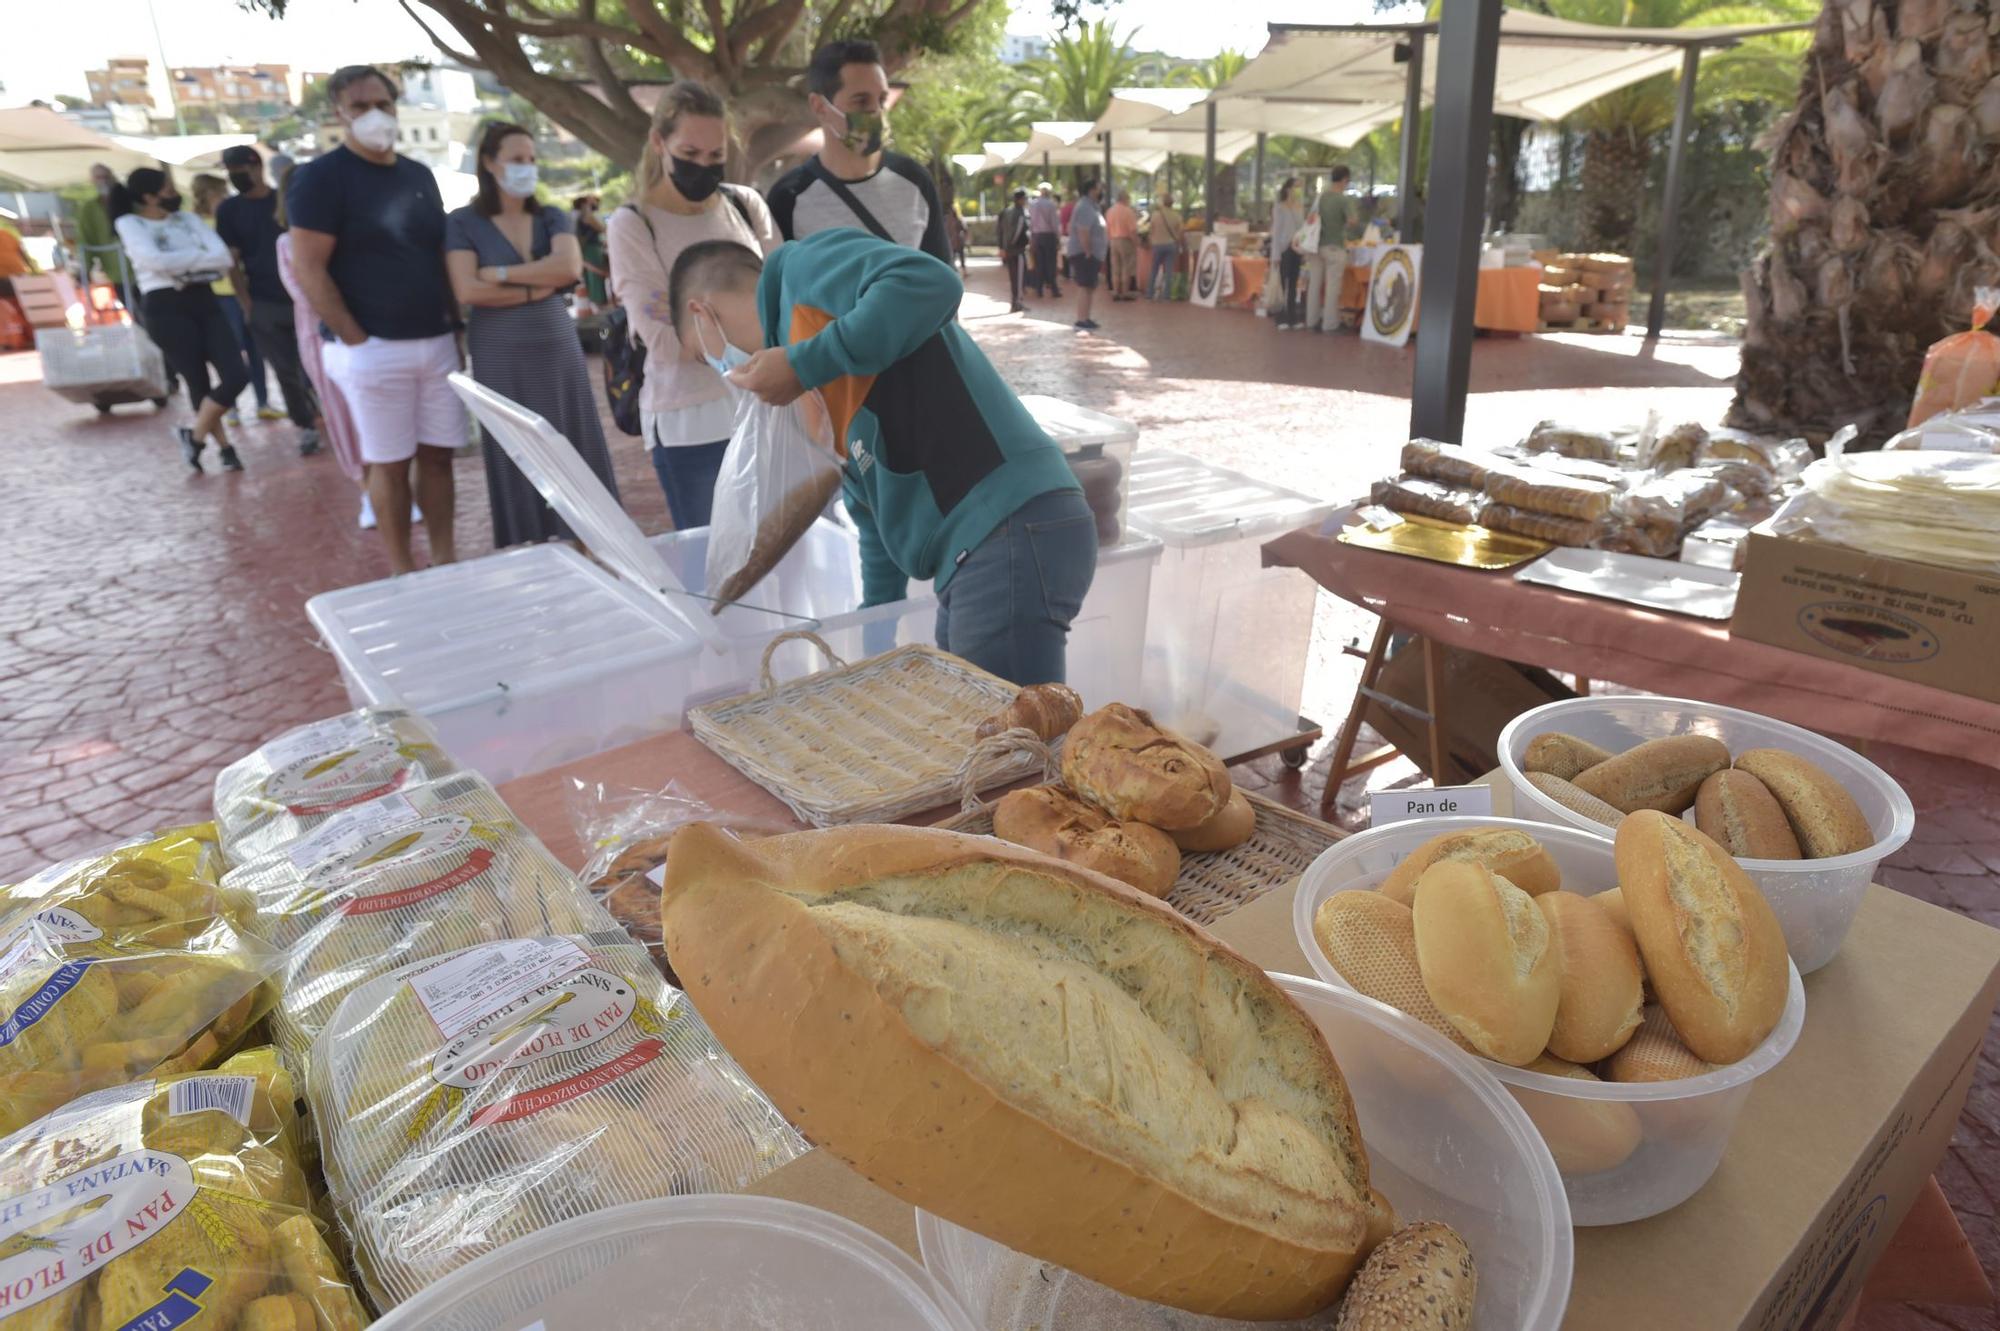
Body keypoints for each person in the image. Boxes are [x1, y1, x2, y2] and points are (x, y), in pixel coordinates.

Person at [672, 231, 1096, 686]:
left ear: (702, 313)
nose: (722, 369)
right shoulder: (803, 383)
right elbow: (873, 513)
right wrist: (875, 636)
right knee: (972, 717)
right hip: (973, 554)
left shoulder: (804, 273)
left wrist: (802, 362)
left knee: (1013, 741)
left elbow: (930, 282)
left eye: (704, 356)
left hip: (1008, 524)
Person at [287, 64, 460, 575]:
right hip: (372, 347)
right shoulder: (319, 179)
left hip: (435, 341)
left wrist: (455, 330)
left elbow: (436, 255)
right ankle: (404, 570)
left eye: (383, 103)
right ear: (339, 114)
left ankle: (447, 561)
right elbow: (308, 268)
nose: (374, 115)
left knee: (440, 456)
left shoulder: (418, 175)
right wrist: (357, 340)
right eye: (360, 106)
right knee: (389, 462)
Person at [607, 80, 780, 530]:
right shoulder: (633, 225)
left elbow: (787, 299)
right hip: (692, 423)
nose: (703, 167)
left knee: (792, 559)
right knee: (718, 569)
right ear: (658, 142)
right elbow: (666, 343)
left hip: (769, 410)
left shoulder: (745, 205)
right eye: (689, 154)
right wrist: (756, 330)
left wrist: (710, 324)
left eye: (715, 156)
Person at [446, 122, 622, 549]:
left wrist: (501, 276)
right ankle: (531, 543)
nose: (527, 168)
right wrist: (535, 287)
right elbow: (468, 290)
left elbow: (567, 269)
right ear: (489, 163)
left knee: (571, 435)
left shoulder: (551, 216)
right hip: (499, 349)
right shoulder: (463, 222)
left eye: (532, 160)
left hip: (554, 344)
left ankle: (587, 538)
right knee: (515, 443)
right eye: (517, 159)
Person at [765, 40, 952, 268]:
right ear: (819, 107)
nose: (876, 112)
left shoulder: (915, 181)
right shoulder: (788, 197)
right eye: (861, 101)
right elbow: (779, 292)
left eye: (881, 100)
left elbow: (941, 283)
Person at [113, 167, 248, 473]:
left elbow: (223, 258)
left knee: (236, 374)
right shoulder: (130, 224)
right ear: (149, 196)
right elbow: (154, 261)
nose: (174, 194)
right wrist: (196, 262)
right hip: (164, 306)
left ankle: (195, 436)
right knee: (196, 379)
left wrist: (180, 268)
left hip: (204, 298)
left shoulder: (187, 220)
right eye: (167, 189)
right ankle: (226, 449)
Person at [214, 145, 319, 455]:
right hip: (264, 302)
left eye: (240, 171)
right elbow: (231, 261)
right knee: (285, 369)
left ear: (257, 166)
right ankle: (305, 424)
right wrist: (246, 303)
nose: (236, 178)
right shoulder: (229, 211)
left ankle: (319, 410)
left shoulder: (283, 201)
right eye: (231, 173)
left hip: (303, 298)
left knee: (311, 364)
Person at [274, 166, 365, 507]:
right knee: (339, 410)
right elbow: (304, 290)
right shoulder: (286, 244)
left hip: (366, 332)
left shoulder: (349, 234)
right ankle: (365, 484)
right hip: (321, 337)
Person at [190, 172, 270, 427]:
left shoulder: (232, 215)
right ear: (207, 193)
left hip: (243, 289)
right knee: (231, 355)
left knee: (255, 349)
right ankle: (231, 407)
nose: (225, 196)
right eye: (219, 191)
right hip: (219, 295)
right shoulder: (197, 223)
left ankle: (263, 402)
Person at [1303, 166, 1356, 335]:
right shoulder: (1343, 200)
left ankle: (1311, 320)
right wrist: (1344, 225)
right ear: (1344, 180)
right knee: (1333, 286)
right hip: (1334, 246)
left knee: (1314, 284)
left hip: (1315, 246)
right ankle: (1329, 323)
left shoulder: (1321, 197)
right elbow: (1352, 220)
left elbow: (1309, 218)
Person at [74, 164, 134, 301]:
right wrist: (85, 269)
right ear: (92, 180)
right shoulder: (89, 209)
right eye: (99, 177)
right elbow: (85, 238)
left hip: (140, 266)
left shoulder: (129, 200)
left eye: (106, 177)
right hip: (116, 269)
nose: (103, 181)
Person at [1066, 178, 1108, 333]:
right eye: (1098, 188)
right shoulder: (1084, 207)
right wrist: (1088, 251)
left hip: (1091, 254)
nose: (1101, 190)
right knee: (1085, 286)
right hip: (1084, 254)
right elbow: (1083, 230)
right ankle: (1081, 319)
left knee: (1090, 286)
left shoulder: (1092, 206)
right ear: (1091, 190)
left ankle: (1086, 317)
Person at [1270, 176, 1305, 330]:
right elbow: (1276, 232)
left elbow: (1303, 229)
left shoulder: (1299, 207)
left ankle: (1292, 316)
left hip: (1296, 248)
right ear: (1288, 189)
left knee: (1293, 282)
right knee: (1283, 283)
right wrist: (1275, 255)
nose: (1298, 190)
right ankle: (1281, 317)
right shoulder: (1279, 208)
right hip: (1284, 249)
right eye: (1296, 187)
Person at [1146, 189, 1185, 300]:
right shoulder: (1176, 216)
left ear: (1163, 203)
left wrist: (1151, 240)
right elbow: (1181, 231)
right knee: (1169, 271)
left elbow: (1150, 230)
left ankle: (1150, 293)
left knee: (1154, 269)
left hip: (1157, 245)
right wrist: (1178, 241)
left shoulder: (1155, 215)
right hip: (1171, 245)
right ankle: (1167, 295)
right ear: (1172, 203)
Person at [573, 194, 611, 309]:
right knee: (597, 282)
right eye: (593, 201)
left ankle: (599, 309)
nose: (596, 203)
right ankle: (603, 312)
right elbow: (602, 228)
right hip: (591, 250)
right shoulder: (586, 216)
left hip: (586, 251)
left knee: (593, 281)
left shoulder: (577, 216)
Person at [996, 187, 1029, 313]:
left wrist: (1002, 247)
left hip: (1009, 249)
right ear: (1021, 200)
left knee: (1013, 277)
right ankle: (1017, 302)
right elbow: (1017, 231)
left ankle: (1015, 301)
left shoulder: (1006, 212)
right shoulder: (1019, 213)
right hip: (1017, 250)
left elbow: (999, 231)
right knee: (1019, 277)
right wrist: (1010, 245)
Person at [1027, 181, 1061, 299]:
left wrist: (1031, 237)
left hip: (1036, 236)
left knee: (1039, 263)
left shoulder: (1033, 204)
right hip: (1048, 236)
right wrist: (1058, 237)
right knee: (1051, 263)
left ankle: (1039, 289)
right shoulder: (1051, 204)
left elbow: (1031, 222)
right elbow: (1054, 223)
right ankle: (1053, 288)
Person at [1104, 189, 1139, 302]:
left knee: (1115, 267)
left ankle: (1115, 291)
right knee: (1126, 267)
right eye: (1128, 198)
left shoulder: (1110, 211)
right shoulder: (1128, 212)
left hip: (1113, 241)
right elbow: (1132, 230)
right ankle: (1125, 292)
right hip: (1125, 241)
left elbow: (1107, 229)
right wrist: (1136, 243)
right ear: (1125, 199)